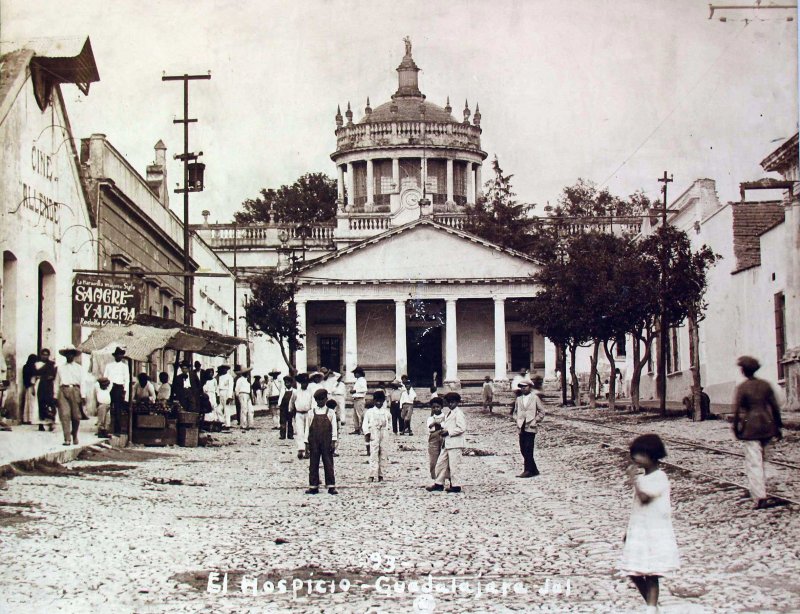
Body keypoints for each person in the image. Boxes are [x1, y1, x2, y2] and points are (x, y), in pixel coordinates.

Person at [619, 434, 680, 613]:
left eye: (639, 455)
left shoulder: (660, 477)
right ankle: (652, 605)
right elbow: (637, 508)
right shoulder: (645, 477)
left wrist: (633, 480)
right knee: (633, 570)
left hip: (654, 532)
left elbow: (644, 498)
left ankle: (651, 608)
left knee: (652, 574)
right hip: (640, 530)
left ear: (651, 455)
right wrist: (628, 531)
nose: (635, 459)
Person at [732, 356, 783, 509]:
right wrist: (778, 426)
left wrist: (736, 428)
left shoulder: (742, 387)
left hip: (751, 427)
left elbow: (736, 412)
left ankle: (760, 496)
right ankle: (769, 489)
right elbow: (775, 407)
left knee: (754, 462)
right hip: (767, 425)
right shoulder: (765, 385)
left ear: (743, 371)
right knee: (766, 460)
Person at [427, 391, 466, 493]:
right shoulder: (450, 412)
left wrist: (448, 432)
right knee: (441, 463)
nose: (450, 404)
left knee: (454, 465)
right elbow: (448, 425)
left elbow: (461, 428)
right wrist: (441, 427)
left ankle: (456, 485)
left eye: (452, 402)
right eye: (448, 402)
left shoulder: (459, 413)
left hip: (455, 443)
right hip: (447, 443)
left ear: (457, 402)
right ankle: (439, 483)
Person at [304, 388, 338, 495]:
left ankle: (331, 486)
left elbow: (334, 428)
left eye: (322, 399)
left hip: (326, 441)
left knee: (328, 462)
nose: (320, 401)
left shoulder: (331, 413)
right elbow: (307, 429)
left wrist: (333, 441)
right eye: (317, 399)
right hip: (314, 441)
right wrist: (306, 443)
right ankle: (313, 486)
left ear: (326, 399)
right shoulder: (311, 413)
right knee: (313, 463)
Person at [55, 345, 86, 446]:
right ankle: (67, 438)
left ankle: (75, 434)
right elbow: (56, 382)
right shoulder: (60, 368)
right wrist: (55, 396)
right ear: (65, 355)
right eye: (67, 354)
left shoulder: (79, 368)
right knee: (65, 414)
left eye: (71, 354)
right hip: (63, 390)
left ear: (74, 355)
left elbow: (82, 382)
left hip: (75, 390)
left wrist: (83, 395)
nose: (69, 356)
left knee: (76, 416)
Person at [515, 376, 546, 478]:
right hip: (521, 426)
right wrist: (517, 420)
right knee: (523, 449)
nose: (523, 388)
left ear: (530, 387)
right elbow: (515, 412)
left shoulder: (535, 398)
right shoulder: (518, 399)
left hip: (530, 426)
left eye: (525, 386)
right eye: (521, 387)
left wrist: (535, 420)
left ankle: (527, 470)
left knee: (529, 449)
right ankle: (534, 469)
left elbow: (542, 412)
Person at [362, 390, 392, 482]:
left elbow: (389, 423)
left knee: (383, 454)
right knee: (374, 453)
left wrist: (387, 430)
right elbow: (365, 424)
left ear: (383, 401)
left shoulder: (386, 412)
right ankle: (372, 474)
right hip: (374, 433)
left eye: (380, 401)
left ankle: (381, 474)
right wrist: (367, 433)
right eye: (377, 401)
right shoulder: (370, 412)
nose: (379, 403)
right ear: (374, 401)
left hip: (384, 433)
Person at [103, 346, 129, 435]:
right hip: (110, 387)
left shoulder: (124, 367)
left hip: (119, 388)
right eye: (118, 355)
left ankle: (117, 430)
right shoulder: (109, 366)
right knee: (107, 408)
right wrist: (105, 389)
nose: (119, 356)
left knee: (118, 410)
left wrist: (125, 392)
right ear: (115, 356)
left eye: (121, 355)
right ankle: (105, 428)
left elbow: (127, 380)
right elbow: (105, 378)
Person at [35, 348, 57, 432]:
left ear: (48, 355)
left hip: (49, 386)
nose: (45, 356)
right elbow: (34, 375)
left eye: (46, 354)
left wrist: (50, 377)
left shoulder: (51, 364)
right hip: (39, 385)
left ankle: (51, 423)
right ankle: (40, 424)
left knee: (50, 404)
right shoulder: (37, 364)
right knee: (40, 404)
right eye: (43, 354)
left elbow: (54, 375)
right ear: (41, 355)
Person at [294, 373, 313, 458]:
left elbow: (313, 403)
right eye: (303, 382)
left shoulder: (310, 392)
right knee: (300, 431)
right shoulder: (296, 392)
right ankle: (300, 449)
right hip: (299, 414)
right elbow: (292, 402)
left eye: (306, 382)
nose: (304, 384)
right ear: (300, 383)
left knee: (308, 432)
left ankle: (307, 449)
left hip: (308, 413)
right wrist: (291, 410)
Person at [426, 397, 445, 480]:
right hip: (433, 438)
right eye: (433, 407)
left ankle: (443, 475)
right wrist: (435, 423)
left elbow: (445, 426)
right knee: (433, 458)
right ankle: (434, 476)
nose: (436, 409)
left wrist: (438, 424)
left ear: (441, 407)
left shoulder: (445, 416)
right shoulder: (430, 418)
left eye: (438, 407)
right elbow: (430, 428)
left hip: (443, 437)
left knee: (443, 457)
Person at [21, 354, 39, 424]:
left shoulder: (25, 367)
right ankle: (31, 418)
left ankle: (27, 418)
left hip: (28, 386)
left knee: (28, 403)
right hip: (32, 386)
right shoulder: (33, 368)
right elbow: (33, 378)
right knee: (32, 403)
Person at [350, 366, 367, 435]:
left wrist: (355, 390)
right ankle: (357, 429)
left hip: (360, 399)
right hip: (356, 399)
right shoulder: (358, 380)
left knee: (361, 415)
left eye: (355, 373)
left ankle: (363, 429)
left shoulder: (362, 380)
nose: (354, 374)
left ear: (359, 373)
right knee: (355, 415)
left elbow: (364, 389)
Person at [278, 375, 296, 440]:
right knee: (282, 421)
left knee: (290, 422)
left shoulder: (294, 391)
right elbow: (280, 398)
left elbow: (294, 400)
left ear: (291, 383)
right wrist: (279, 404)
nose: (287, 384)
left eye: (288, 383)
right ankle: (282, 435)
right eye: (285, 383)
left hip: (290, 408)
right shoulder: (283, 390)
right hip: (283, 408)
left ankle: (290, 435)